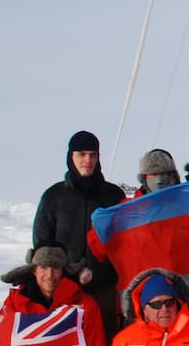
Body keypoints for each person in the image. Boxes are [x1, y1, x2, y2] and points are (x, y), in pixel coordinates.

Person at [32, 130, 126, 327]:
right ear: (71, 157)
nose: (88, 160)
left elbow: (126, 242)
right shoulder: (53, 196)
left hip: (106, 288)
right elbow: (42, 244)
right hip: (65, 288)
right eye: (81, 154)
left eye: (93, 155)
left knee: (105, 341)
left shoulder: (114, 196)